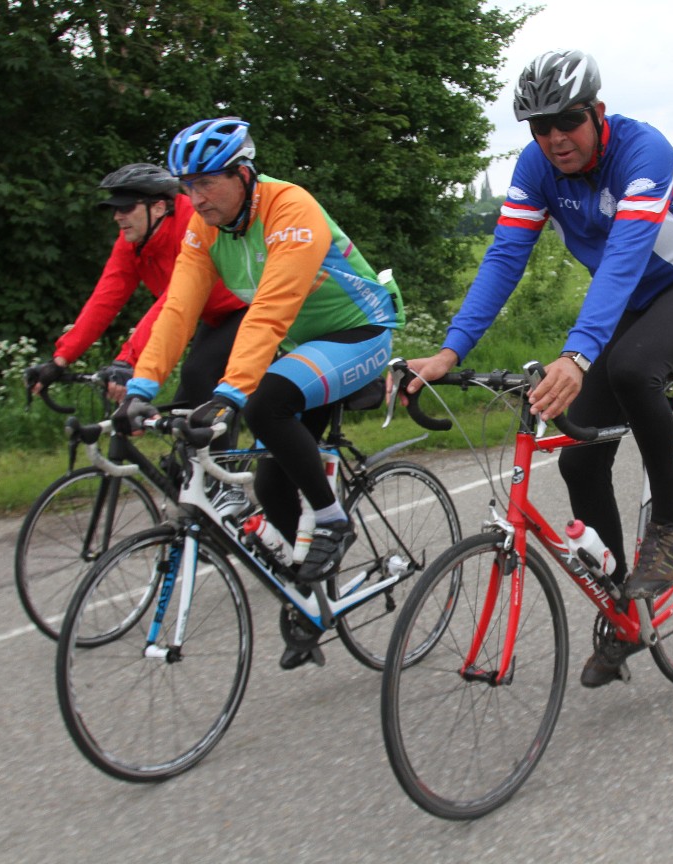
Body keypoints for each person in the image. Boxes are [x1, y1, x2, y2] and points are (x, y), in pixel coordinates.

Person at [403, 50, 673, 688]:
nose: (555, 137)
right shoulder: (536, 168)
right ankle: (622, 608)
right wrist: (451, 351)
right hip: (630, 300)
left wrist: (579, 354)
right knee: (580, 460)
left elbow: (626, 255)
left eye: (568, 121)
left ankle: (670, 526)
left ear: (598, 113)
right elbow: (505, 256)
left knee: (633, 368)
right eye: (540, 126)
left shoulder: (644, 152)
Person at [112, 117, 405, 667]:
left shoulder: (290, 208)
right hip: (305, 346)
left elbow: (269, 310)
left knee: (264, 404)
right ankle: (309, 604)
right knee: (271, 482)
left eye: (206, 183)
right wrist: (142, 388)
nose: (196, 198)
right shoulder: (205, 229)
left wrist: (229, 394)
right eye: (188, 186)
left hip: (359, 332)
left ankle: (334, 521)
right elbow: (178, 310)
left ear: (243, 174)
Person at [26, 164, 247, 402]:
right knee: (185, 406)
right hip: (212, 316)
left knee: (197, 375)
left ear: (159, 207)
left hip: (245, 306)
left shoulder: (193, 223)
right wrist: (60, 360)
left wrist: (127, 361)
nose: (117, 216)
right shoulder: (132, 241)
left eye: (126, 207)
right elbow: (104, 299)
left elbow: (174, 299)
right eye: (115, 209)